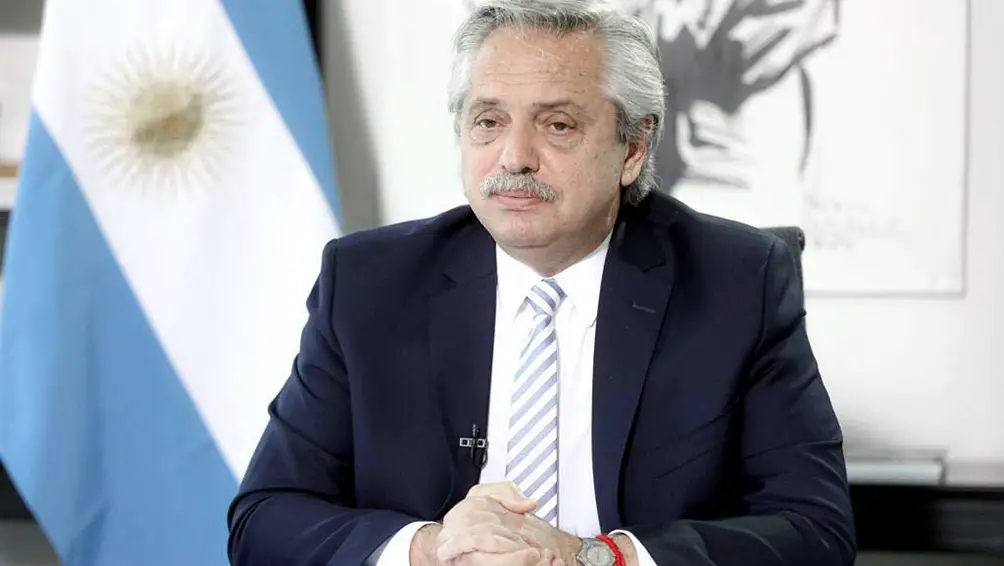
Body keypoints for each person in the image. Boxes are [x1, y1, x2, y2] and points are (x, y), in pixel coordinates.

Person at [226, 1, 856, 565]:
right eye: (488, 121)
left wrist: (597, 558)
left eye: (557, 125)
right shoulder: (370, 284)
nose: (514, 157)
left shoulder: (737, 283)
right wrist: (431, 549)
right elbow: (264, 518)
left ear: (633, 148)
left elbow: (816, 530)